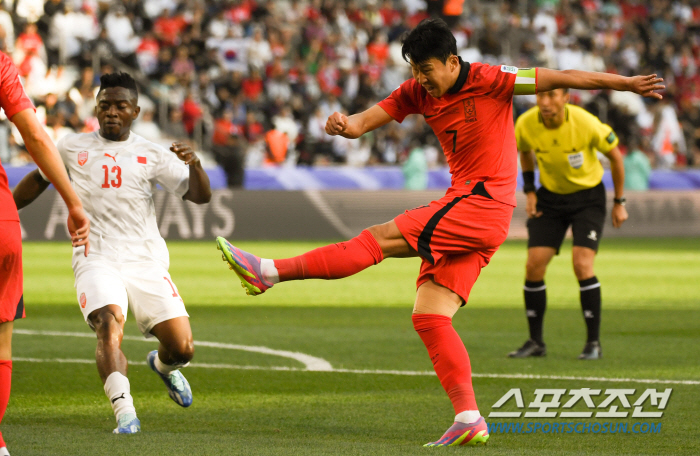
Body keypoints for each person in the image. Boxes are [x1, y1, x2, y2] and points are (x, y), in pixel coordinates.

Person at [215, 19, 662, 447]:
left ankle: (268, 272)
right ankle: (468, 418)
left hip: (479, 204)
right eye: (414, 69)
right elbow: (362, 122)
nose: (420, 79)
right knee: (430, 315)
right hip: (478, 212)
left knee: (380, 238)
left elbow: (563, 77)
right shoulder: (416, 91)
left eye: (426, 69)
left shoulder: (492, 79)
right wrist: (343, 124)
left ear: (451, 61)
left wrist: (625, 83)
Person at [12, 72, 211, 435]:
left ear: (136, 111)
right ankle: (125, 412)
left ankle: (164, 367)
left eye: (121, 106)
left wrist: (195, 165)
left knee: (182, 348)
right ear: (96, 108)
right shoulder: (71, 147)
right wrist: (5, 209)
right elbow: (38, 181)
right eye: (105, 105)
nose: (112, 112)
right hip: (95, 255)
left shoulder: (151, 152)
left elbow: (200, 196)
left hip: (145, 259)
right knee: (108, 322)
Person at [0, 51, 90, 456]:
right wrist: (73, 202)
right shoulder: (1, 64)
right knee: (1, 348)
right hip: (2, 222)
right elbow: (35, 137)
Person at [508, 89, 629, 361]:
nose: (545, 102)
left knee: (582, 264)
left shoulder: (585, 123)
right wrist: (530, 191)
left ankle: (593, 343)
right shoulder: (525, 123)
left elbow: (616, 157)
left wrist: (619, 202)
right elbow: (525, 152)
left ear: (566, 97)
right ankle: (536, 342)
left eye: (552, 96)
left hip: (588, 198)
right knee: (533, 265)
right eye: (541, 96)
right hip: (550, 198)